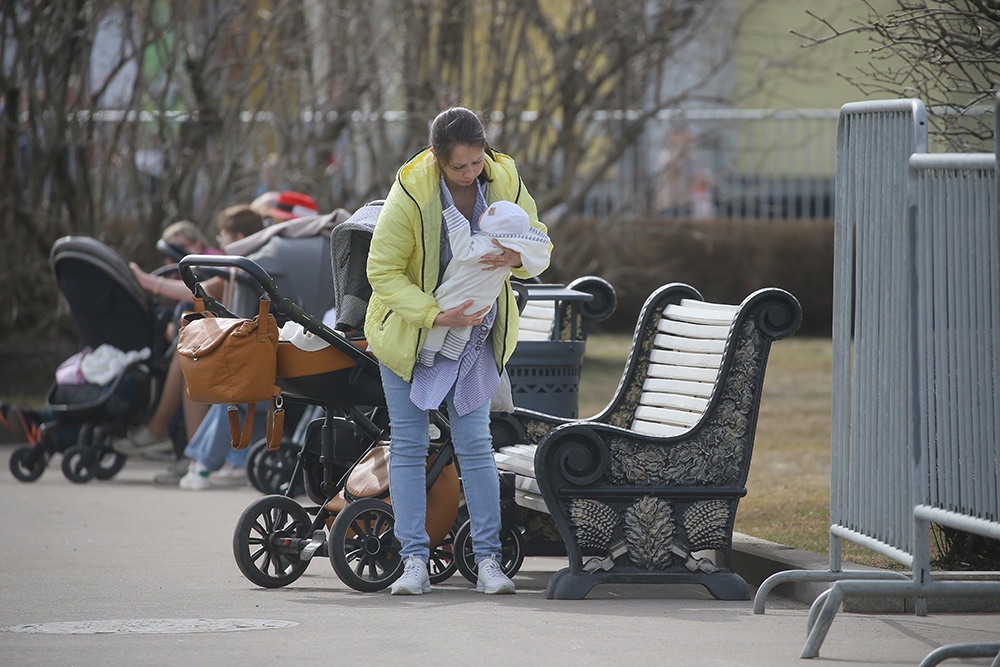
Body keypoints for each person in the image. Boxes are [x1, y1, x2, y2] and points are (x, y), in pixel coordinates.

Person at [365, 106, 551, 595]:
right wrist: (435, 315)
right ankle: (412, 562)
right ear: (436, 159)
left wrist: (517, 257)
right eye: (458, 167)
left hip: (477, 335)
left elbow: (539, 242)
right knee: (408, 446)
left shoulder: (504, 176)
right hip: (410, 336)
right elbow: (381, 272)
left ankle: (488, 561)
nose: (470, 174)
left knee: (475, 445)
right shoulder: (411, 191)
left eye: (476, 163)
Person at [114, 206, 264, 465]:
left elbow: (201, 291)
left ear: (238, 237)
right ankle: (179, 444)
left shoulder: (239, 264)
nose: (220, 243)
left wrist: (148, 282)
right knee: (187, 354)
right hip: (242, 341)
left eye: (223, 236)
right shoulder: (247, 260)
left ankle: (185, 450)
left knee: (190, 357)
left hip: (246, 349)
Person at [417, 199, 549, 368]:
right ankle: (452, 355)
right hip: (481, 304)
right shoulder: (515, 248)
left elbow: (463, 253)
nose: (483, 210)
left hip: (458, 299)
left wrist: (457, 223)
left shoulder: (486, 243)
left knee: (438, 328)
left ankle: (427, 357)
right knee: (464, 327)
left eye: (488, 213)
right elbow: (540, 255)